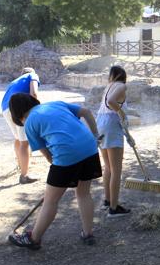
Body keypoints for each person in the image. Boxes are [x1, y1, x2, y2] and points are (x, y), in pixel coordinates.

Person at [7, 93, 102, 250]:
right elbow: (86, 112)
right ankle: (88, 234)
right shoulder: (56, 104)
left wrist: (57, 181)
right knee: (84, 193)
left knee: (51, 200)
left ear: (17, 114)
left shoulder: (30, 122)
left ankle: (34, 239)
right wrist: (95, 135)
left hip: (66, 155)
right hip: (90, 148)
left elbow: (48, 156)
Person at [97, 66, 131, 218]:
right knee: (116, 170)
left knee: (108, 167)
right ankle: (114, 208)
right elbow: (112, 102)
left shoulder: (108, 86)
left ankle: (107, 200)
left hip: (101, 124)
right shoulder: (122, 85)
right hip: (111, 125)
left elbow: (109, 102)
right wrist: (122, 113)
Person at [0, 67, 40, 184]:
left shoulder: (15, 81)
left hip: (6, 108)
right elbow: (34, 93)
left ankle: (21, 164)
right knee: (25, 142)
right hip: (18, 108)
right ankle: (24, 175)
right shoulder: (33, 75)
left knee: (18, 139)